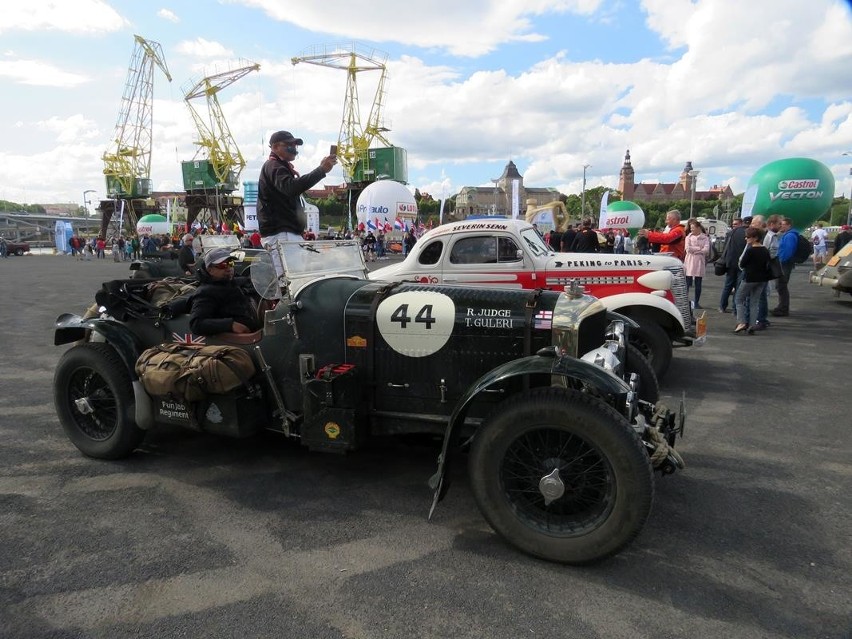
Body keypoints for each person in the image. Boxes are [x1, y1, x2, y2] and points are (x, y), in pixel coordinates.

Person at [256, 130, 337, 278]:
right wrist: (321, 170)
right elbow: (291, 187)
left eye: (295, 145)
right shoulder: (273, 166)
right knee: (290, 281)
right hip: (282, 233)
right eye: (288, 145)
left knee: (294, 279)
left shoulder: (278, 166)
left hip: (284, 233)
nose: (293, 148)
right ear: (274, 147)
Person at [189, 247, 260, 336]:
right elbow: (197, 324)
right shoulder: (206, 292)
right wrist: (230, 325)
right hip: (240, 341)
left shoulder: (233, 283)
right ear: (210, 269)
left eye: (231, 263)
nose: (228, 268)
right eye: (222, 265)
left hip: (256, 330)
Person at [734, 226, 771, 335]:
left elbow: (742, 264)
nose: (746, 239)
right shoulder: (765, 250)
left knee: (739, 299)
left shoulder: (750, 250)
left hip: (750, 278)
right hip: (762, 279)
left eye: (748, 237)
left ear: (755, 238)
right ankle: (752, 324)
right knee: (754, 302)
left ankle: (741, 322)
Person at [754, 214, 782, 331]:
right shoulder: (768, 236)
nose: (781, 226)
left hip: (764, 268)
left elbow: (771, 253)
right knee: (762, 295)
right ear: (772, 224)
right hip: (763, 267)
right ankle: (762, 318)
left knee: (761, 295)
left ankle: (761, 320)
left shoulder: (771, 236)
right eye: (779, 223)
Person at [718, 216, 750, 314]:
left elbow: (726, 247)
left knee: (727, 285)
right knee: (738, 287)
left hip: (730, 262)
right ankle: (735, 309)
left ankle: (722, 306)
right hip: (742, 263)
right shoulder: (749, 234)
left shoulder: (731, 233)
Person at [772, 217, 800, 317]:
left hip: (784, 264)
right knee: (780, 285)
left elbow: (788, 251)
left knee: (781, 285)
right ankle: (782, 307)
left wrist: (780, 260)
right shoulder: (788, 235)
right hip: (784, 263)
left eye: (783, 224)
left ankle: (783, 308)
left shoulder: (790, 236)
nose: (781, 226)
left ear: (789, 225)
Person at [683, 219, 710, 308]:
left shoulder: (705, 237)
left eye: (693, 228)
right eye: (691, 228)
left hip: (699, 261)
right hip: (690, 260)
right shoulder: (688, 237)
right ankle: (685, 301)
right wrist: (700, 249)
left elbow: (706, 250)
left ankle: (696, 302)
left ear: (698, 228)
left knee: (698, 283)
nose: (691, 230)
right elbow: (687, 249)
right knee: (687, 282)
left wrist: (695, 249)